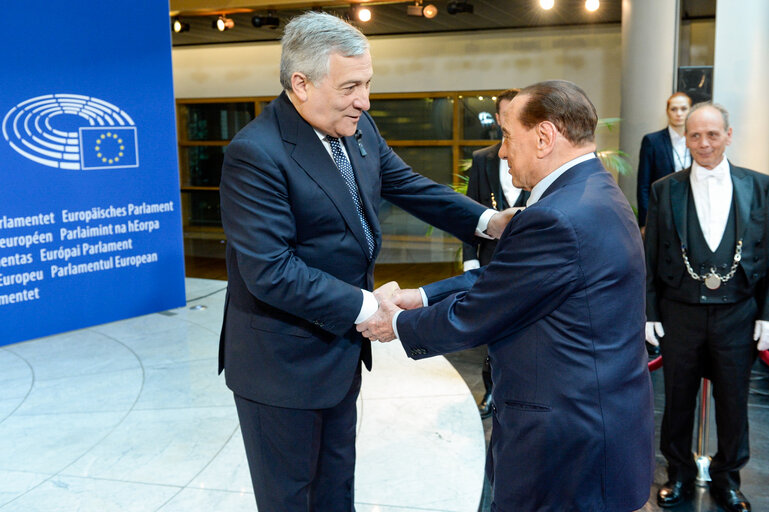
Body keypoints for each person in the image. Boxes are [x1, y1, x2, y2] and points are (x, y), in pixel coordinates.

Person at [217, 11, 513, 511]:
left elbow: (408, 185)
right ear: (301, 83)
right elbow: (271, 270)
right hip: (280, 364)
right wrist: (365, 308)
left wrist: (488, 222)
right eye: (351, 86)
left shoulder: (357, 127)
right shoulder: (256, 153)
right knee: (291, 498)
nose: (365, 100)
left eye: (368, 84)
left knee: (336, 489)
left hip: (337, 353)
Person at [358, 80, 655, 511]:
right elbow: (509, 281)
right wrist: (422, 297)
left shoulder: (557, 216)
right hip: (599, 422)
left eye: (506, 136)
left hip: (565, 444)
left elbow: (483, 310)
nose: (500, 151)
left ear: (544, 137)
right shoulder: (594, 193)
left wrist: (397, 324)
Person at [644, 102, 769, 512]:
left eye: (712, 134)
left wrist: (767, 313)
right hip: (680, 312)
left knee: (734, 403)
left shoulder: (760, 186)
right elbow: (649, 255)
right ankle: (678, 474)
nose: (703, 143)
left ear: (728, 136)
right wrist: (649, 312)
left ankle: (728, 478)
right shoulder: (665, 188)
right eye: (695, 135)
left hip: (739, 313)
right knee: (677, 401)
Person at [462, 88, 529, 418]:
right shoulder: (483, 158)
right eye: (502, 115)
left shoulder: (535, 158)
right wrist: (469, 258)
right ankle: (490, 391)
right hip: (489, 257)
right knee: (491, 329)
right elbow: (470, 211)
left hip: (528, 261)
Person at [637, 92, 693, 231]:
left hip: (691, 213)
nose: (679, 113)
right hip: (662, 213)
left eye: (683, 109)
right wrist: (645, 222)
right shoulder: (652, 141)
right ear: (667, 112)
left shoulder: (697, 141)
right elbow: (643, 185)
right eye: (674, 109)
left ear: (690, 111)